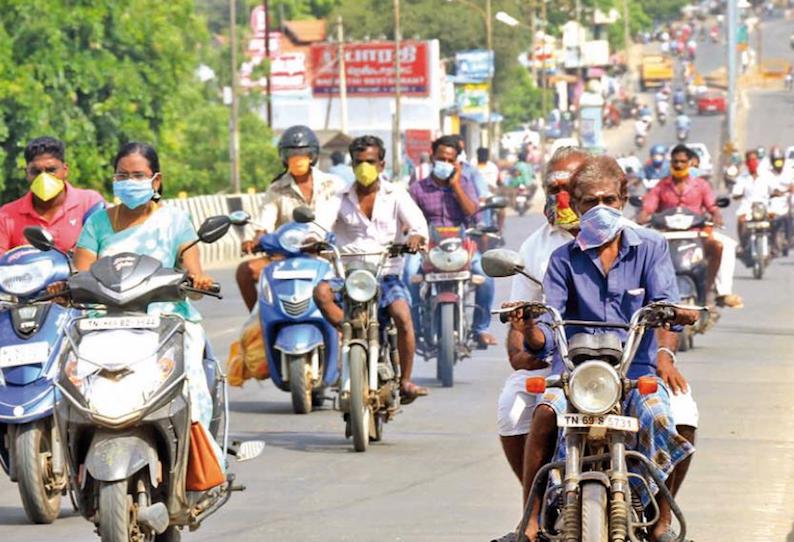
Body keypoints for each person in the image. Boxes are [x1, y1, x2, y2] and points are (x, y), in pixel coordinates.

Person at [515, 155, 698, 541]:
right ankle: (529, 520)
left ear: (623, 199)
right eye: (588, 202)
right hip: (575, 377)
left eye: (608, 200)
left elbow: (665, 302)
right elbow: (548, 330)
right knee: (545, 414)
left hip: (635, 375)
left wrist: (675, 316)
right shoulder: (562, 260)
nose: (599, 209)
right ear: (575, 206)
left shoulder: (650, 247)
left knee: (667, 418)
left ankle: (662, 522)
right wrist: (530, 327)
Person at [73, 142, 223, 466]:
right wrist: (68, 286)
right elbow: (80, 272)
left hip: (165, 321)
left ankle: (196, 465)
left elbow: (193, 270)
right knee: (73, 381)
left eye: (138, 175)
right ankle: (74, 461)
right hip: (105, 321)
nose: (129, 181)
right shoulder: (97, 223)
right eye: (122, 175)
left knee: (191, 382)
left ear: (155, 181)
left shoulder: (175, 221)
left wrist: (198, 279)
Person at [313, 135, 429, 402]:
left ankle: (406, 380)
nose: (364, 167)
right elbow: (318, 226)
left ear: (381, 164)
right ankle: (347, 327)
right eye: (358, 162)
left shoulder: (396, 194)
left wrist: (414, 237)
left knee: (402, 315)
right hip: (348, 274)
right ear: (352, 165)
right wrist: (312, 240)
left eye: (370, 162)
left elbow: (418, 227)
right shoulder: (339, 197)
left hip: (385, 273)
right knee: (320, 293)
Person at [496, 147, 588, 483]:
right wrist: (522, 348)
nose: (563, 199)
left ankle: (658, 520)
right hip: (556, 362)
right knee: (512, 405)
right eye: (554, 190)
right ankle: (534, 506)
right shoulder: (536, 247)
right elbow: (521, 322)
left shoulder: (629, 239)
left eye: (572, 190)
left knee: (680, 412)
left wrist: (663, 355)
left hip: (620, 361)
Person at [236, 125, 343, 311]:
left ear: (313, 155)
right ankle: (261, 320)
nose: (297, 159)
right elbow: (264, 220)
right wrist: (255, 239)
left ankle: (348, 328)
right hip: (288, 257)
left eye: (302, 154)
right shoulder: (276, 189)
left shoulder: (333, 184)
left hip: (327, 256)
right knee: (245, 271)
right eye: (292, 154)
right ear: (284, 158)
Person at [404, 135, 497, 346]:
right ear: (432, 157)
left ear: (456, 162)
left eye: (449, 160)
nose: (444, 163)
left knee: (486, 276)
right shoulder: (418, 188)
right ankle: (414, 329)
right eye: (441, 158)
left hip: (462, 247)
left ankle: (480, 328)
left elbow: (473, 214)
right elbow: (406, 220)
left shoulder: (465, 183)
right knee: (409, 275)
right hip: (428, 248)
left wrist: (455, 186)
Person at [638, 144, 743, 308]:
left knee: (721, 246)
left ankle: (717, 292)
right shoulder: (661, 186)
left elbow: (712, 206)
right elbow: (648, 207)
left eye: (682, 161)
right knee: (642, 251)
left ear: (689, 163)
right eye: (675, 162)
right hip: (667, 236)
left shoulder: (701, 185)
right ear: (670, 163)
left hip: (696, 234)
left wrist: (716, 216)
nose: (678, 165)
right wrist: (644, 215)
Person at [0, 136, 105, 254]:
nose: (44, 178)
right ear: (27, 174)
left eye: (51, 170)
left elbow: (103, 249)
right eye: (36, 172)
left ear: (65, 170)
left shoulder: (89, 203)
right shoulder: (6, 215)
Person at [766, 146, 793, 252]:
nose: (779, 164)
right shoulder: (767, 174)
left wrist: (789, 190)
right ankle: (772, 241)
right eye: (776, 162)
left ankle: (788, 238)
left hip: (786, 201)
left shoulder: (789, 171)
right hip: (772, 203)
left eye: (780, 161)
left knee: (790, 215)